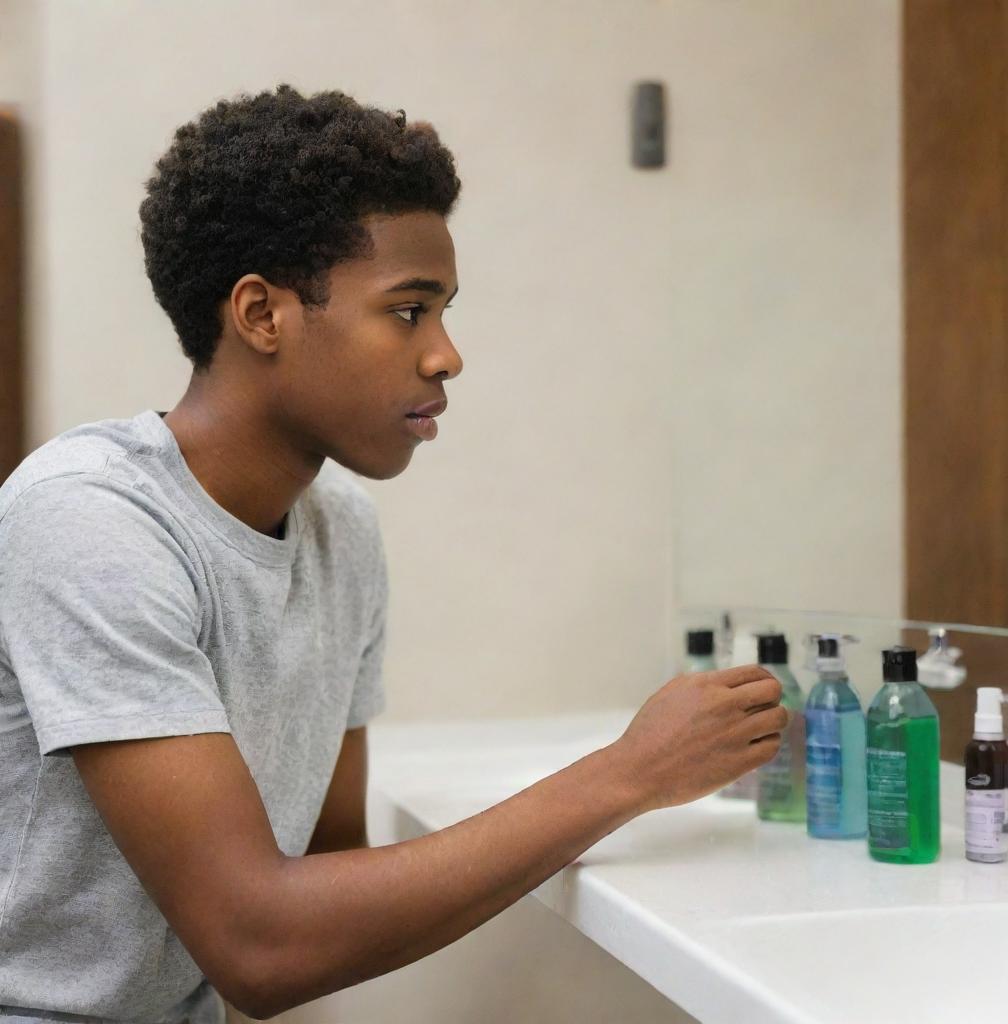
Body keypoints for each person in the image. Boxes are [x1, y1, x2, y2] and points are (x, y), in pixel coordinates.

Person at [0, 84, 785, 1022]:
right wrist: (628, 775)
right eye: (410, 312)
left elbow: (327, 875)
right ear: (261, 315)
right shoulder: (89, 521)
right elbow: (262, 942)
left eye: (444, 313)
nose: (447, 356)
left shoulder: (341, 531)